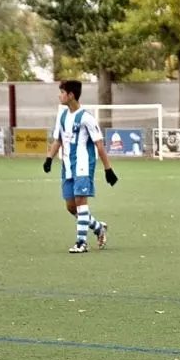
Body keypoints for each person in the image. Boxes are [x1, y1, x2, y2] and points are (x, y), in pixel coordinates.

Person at [43, 80, 118, 253]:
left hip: (83, 164)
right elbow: (58, 140)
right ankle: (99, 228)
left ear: (71, 95)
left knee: (81, 202)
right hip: (67, 166)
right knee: (71, 206)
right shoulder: (62, 116)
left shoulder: (86, 118)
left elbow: (99, 144)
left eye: (62, 92)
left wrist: (108, 169)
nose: (59, 95)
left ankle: (81, 243)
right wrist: (49, 158)